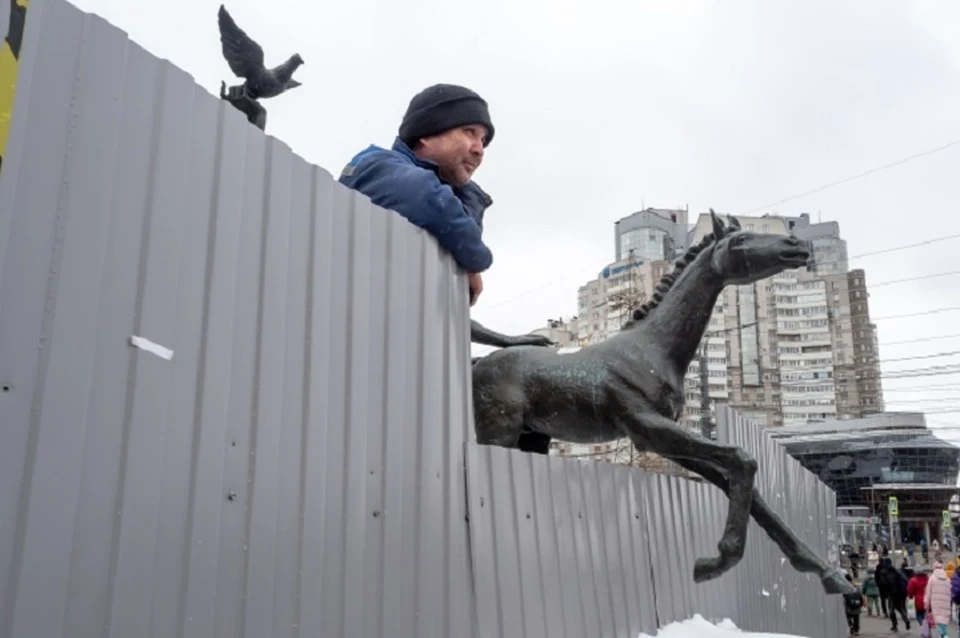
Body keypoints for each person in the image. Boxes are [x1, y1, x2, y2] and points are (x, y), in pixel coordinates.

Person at [338, 83, 551, 350]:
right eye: (469, 132)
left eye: (483, 140)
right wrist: (473, 262)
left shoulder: (448, 197)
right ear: (426, 134)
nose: (479, 149)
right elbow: (428, 199)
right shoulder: (374, 165)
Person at [925, 561, 951, 637]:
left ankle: (944, 635)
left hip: (935, 604)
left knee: (939, 621)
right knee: (943, 621)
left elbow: (928, 592)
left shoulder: (932, 578)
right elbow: (950, 591)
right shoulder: (947, 579)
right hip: (946, 603)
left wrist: (927, 604)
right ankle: (943, 635)